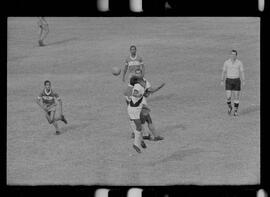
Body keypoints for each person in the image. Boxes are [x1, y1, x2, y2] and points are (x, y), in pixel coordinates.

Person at [221, 50, 245, 116]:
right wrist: (222, 80)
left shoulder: (239, 63)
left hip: (236, 80)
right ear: (230, 55)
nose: (233, 56)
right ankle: (230, 107)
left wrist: (243, 80)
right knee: (228, 97)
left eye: (234, 54)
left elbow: (242, 72)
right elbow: (223, 71)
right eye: (232, 54)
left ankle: (235, 111)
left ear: (236, 55)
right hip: (228, 80)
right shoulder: (226, 62)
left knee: (236, 97)